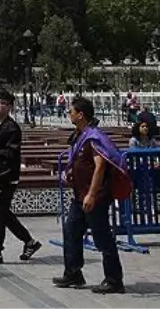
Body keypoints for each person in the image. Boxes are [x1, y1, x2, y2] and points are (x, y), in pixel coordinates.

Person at [54, 97, 126, 294]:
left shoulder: (93, 137)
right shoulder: (79, 136)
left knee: (102, 237)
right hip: (79, 195)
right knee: (71, 232)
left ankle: (113, 279)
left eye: (71, 111)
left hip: (94, 197)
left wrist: (92, 194)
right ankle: (73, 272)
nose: (69, 114)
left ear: (80, 114)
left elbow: (100, 166)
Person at [0, 90, 42, 265]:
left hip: (6, 177)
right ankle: (30, 242)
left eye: (2, 103)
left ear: (10, 107)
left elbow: (11, 153)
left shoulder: (12, 128)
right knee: (2, 213)